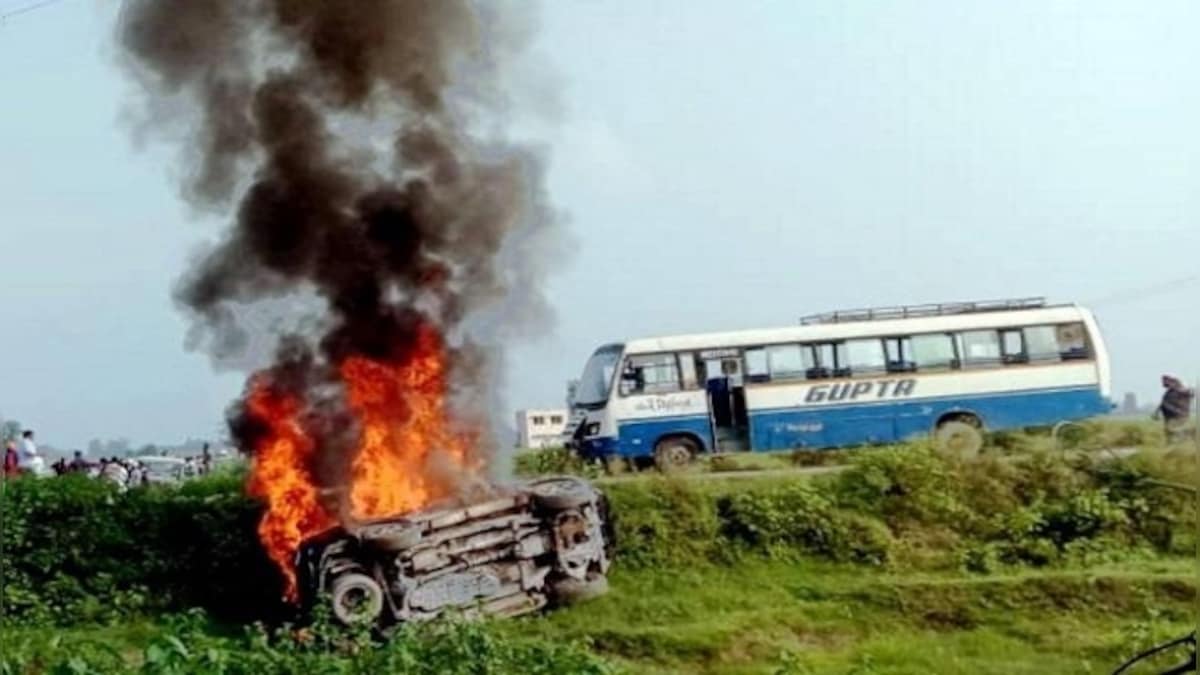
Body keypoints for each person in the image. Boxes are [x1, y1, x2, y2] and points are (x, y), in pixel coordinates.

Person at [1153, 375, 1195, 443]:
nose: (1163, 383)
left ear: (1172, 382)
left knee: (1175, 431)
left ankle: (1190, 434)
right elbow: (1163, 403)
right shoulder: (1168, 393)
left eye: (1165, 381)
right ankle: (1171, 446)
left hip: (1178, 415)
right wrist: (1156, 412)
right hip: (1169, 416)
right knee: (1169, 432)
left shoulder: (1180, 390)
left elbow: (1191, 393)